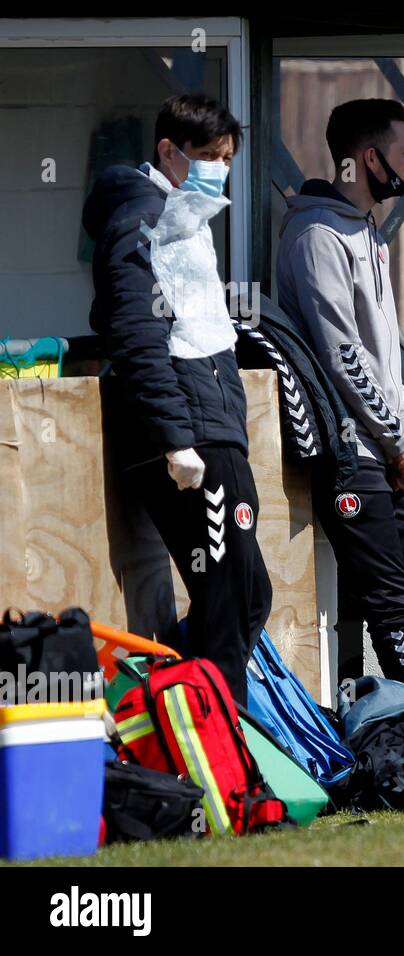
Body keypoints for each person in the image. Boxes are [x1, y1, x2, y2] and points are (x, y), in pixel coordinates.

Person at [276, 98, 404, 746]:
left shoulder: (368, 232)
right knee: (392, 612)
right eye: (402, 152)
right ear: (367, 159)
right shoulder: (315, 235)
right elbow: (343, 353)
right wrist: (396, 437)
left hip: (391, 453)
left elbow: (384, 357)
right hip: (354, 455)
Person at [82, 93, 271, 704]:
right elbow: (134, 328)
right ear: (167, 151)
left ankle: (188, 710)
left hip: (213, 425)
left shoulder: (183, 214)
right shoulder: (141, 213)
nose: (219, 169)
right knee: (226, 598)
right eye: (208, 156)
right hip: (187, 437)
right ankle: (222, 764)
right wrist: (176, 439)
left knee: (249, 595)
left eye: (227, 158)